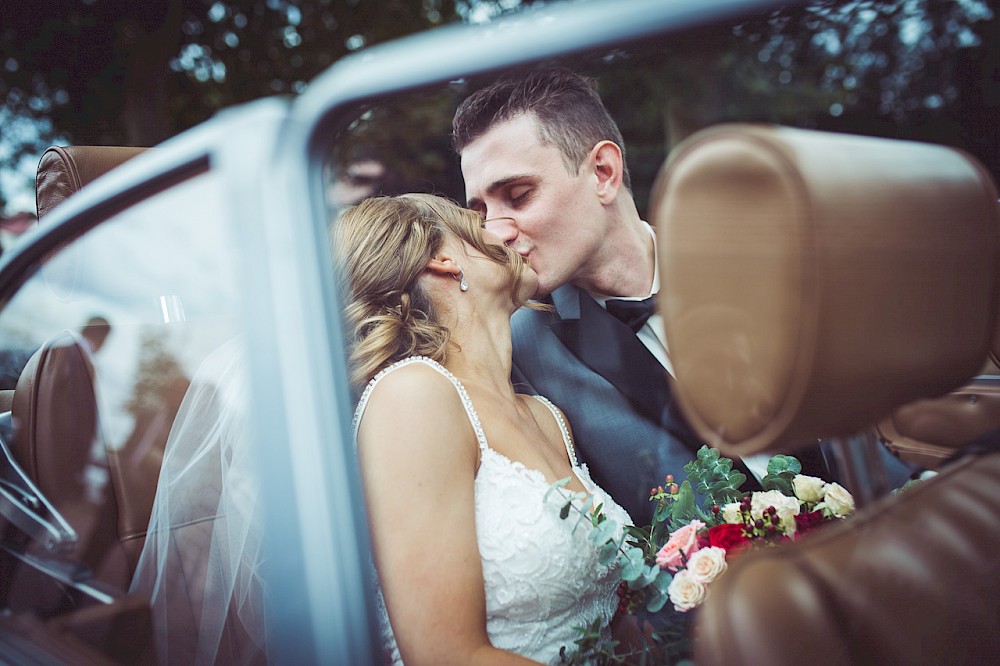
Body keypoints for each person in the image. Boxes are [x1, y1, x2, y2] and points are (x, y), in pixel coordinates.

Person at [452, 66, 916, 523]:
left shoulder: (755, 262)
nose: (495, 234)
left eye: (518, 195)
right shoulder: (521, 346)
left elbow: (856, 431)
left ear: (603, 172)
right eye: (481, 211)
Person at [336, 194, 632, 664]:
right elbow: (446, 656)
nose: (507, 231)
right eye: (480, 223)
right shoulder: (412, 396)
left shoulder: (546, 417)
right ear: (444, 260)